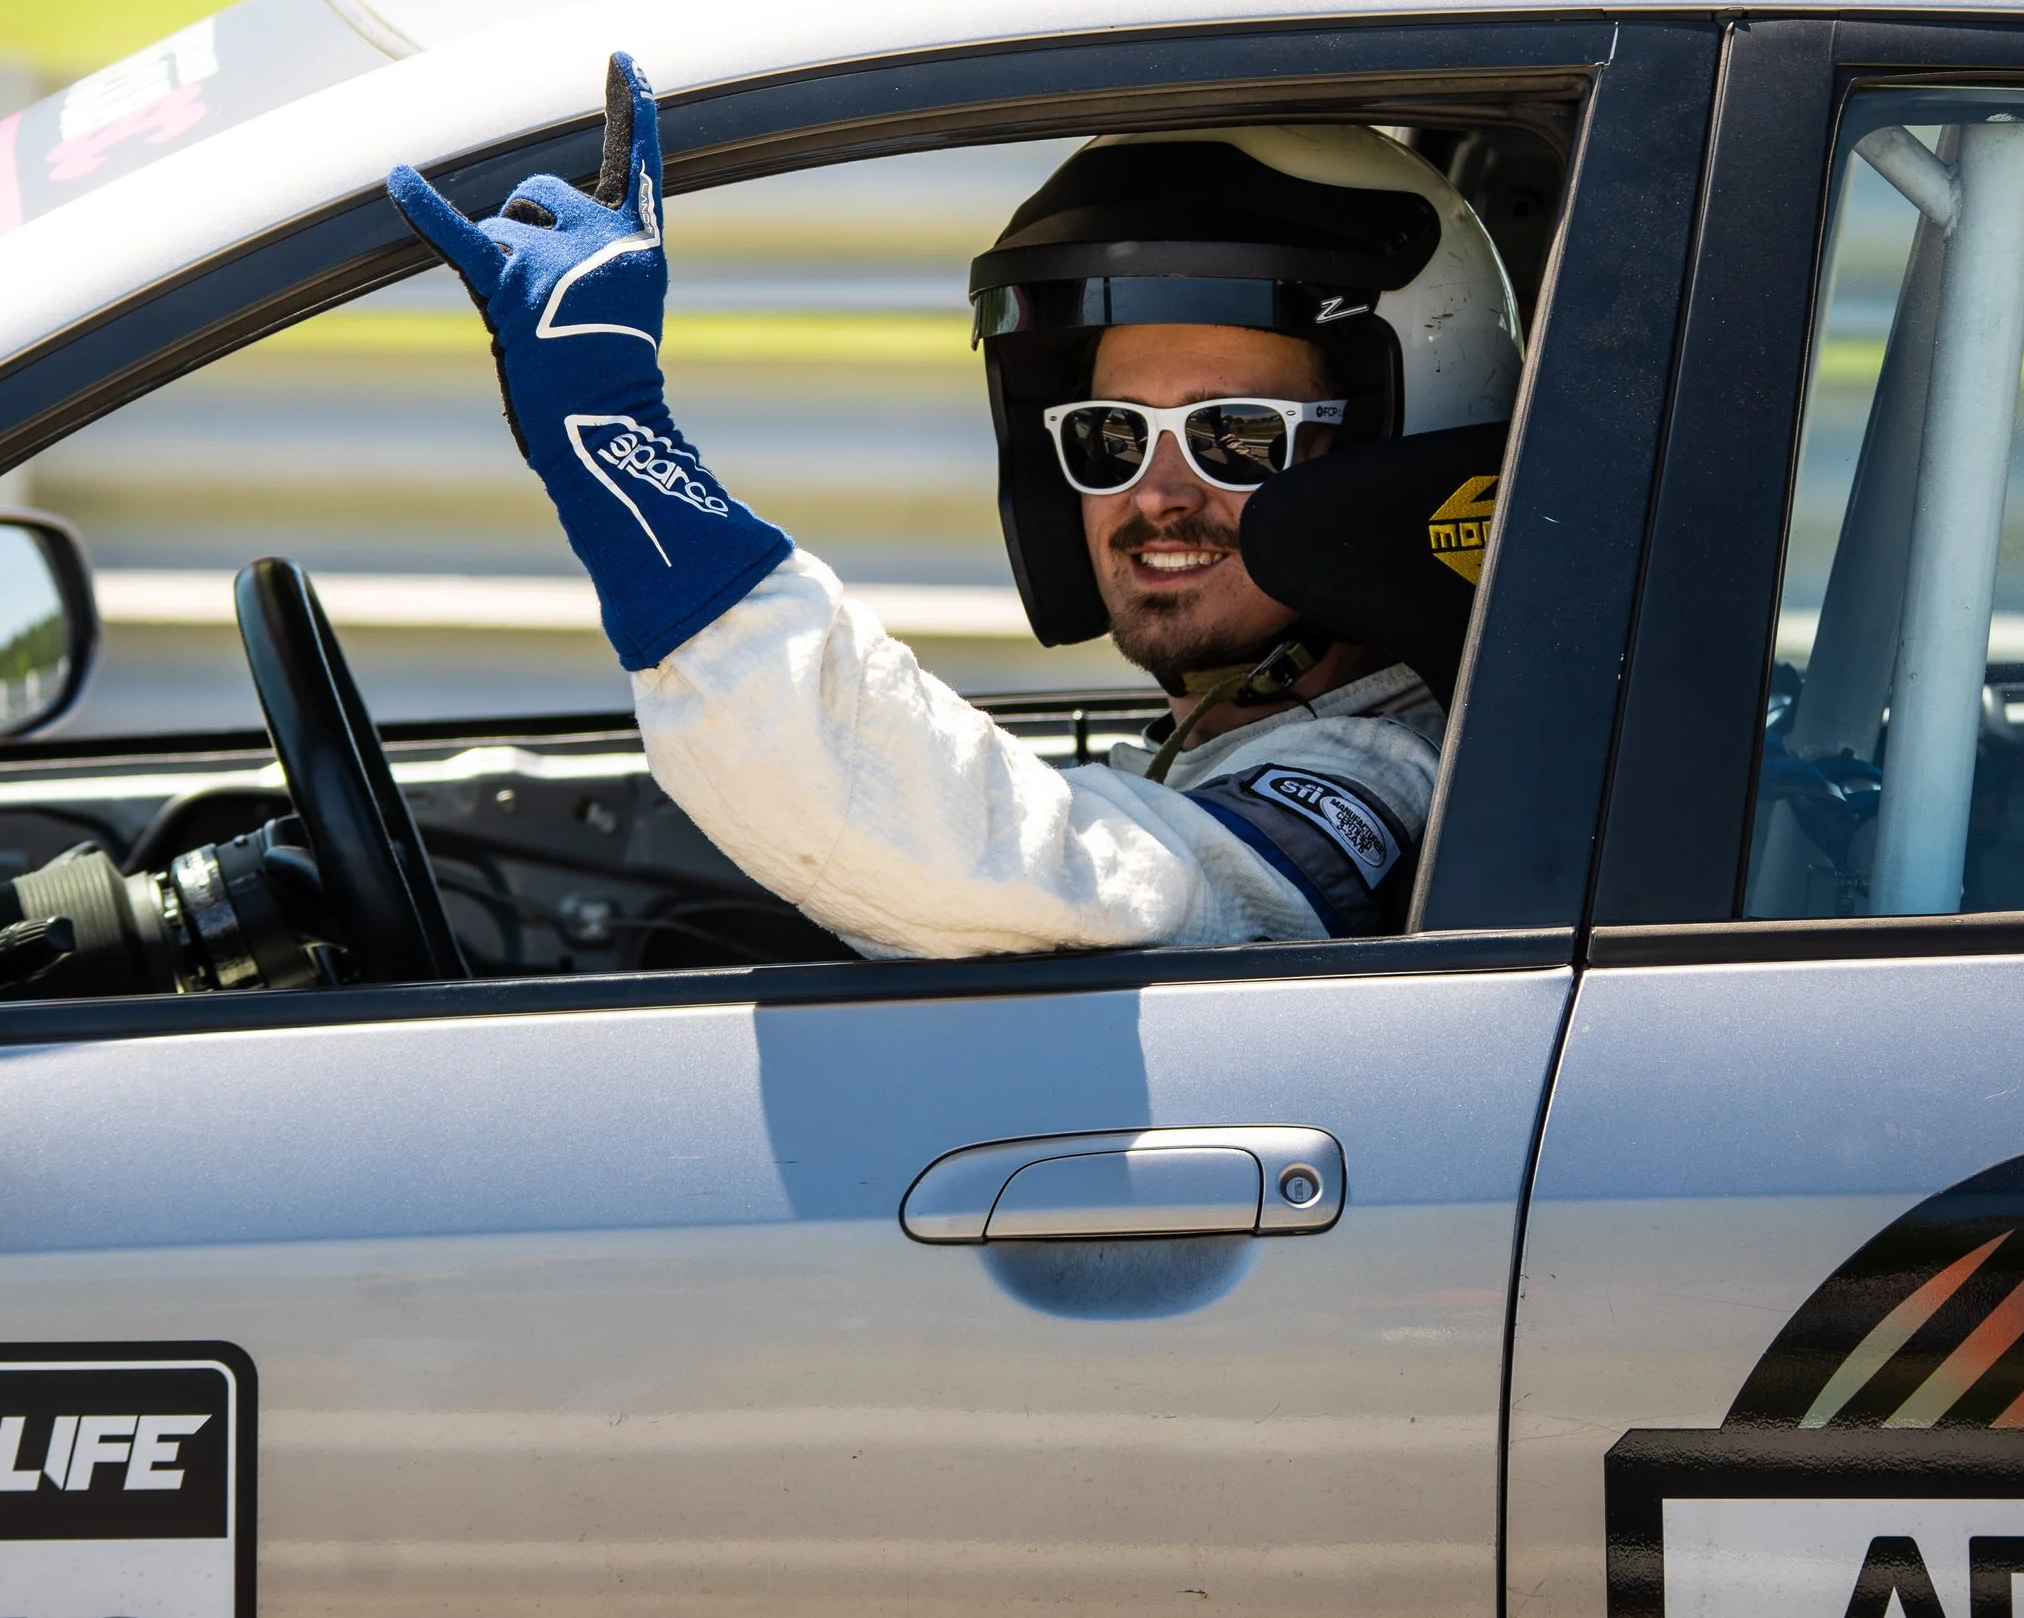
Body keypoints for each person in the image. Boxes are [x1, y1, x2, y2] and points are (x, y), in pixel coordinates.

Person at [390, 61, 1520, 961]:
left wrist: (618, 441)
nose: (1156, 493)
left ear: (1391, 449)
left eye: (1236, 435)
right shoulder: (1234, 747)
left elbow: (1040, 882)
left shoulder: (1389, 779)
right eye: (1109, 435)